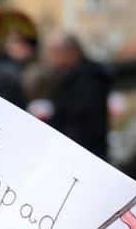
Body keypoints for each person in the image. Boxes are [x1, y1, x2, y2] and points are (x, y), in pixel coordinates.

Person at [44, 30, 112, 160]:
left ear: (72, 52)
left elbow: (81, 120)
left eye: (55, 53)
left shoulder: (91, 79)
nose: (51, 58)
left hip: (86, 153)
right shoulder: (64, 76)